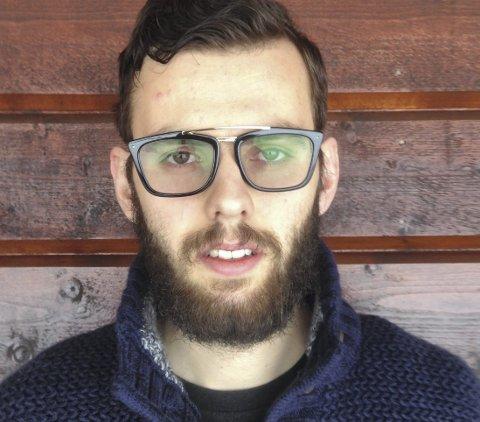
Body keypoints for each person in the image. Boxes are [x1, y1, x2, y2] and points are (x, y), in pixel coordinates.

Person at [1, 0, 479, 420]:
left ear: (326, 176)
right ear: (127, 187)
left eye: (271, 151)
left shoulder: (449, 407)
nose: (229, 201)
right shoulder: (27, 411)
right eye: (181, 155)